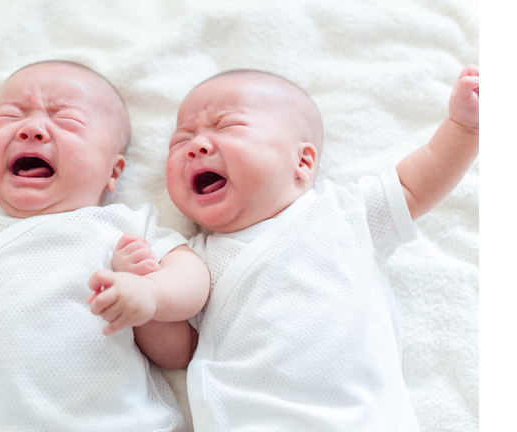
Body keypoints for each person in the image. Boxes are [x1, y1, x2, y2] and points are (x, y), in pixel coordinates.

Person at [118, 66, 479, 431]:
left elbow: (417, 183)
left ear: (302, 161)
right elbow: (182, 352)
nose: (196, 146)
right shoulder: (192, 259)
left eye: (227, 127)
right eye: (179, 142)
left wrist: (464, 129)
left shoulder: (346, 213)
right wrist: (144, 306)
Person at [0, 60, 210, 432]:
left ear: (113, 171)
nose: (31, 128)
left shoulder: (121, 227)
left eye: (66, 120)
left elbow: (193, 274)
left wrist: (151, 291)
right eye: (10, 116)